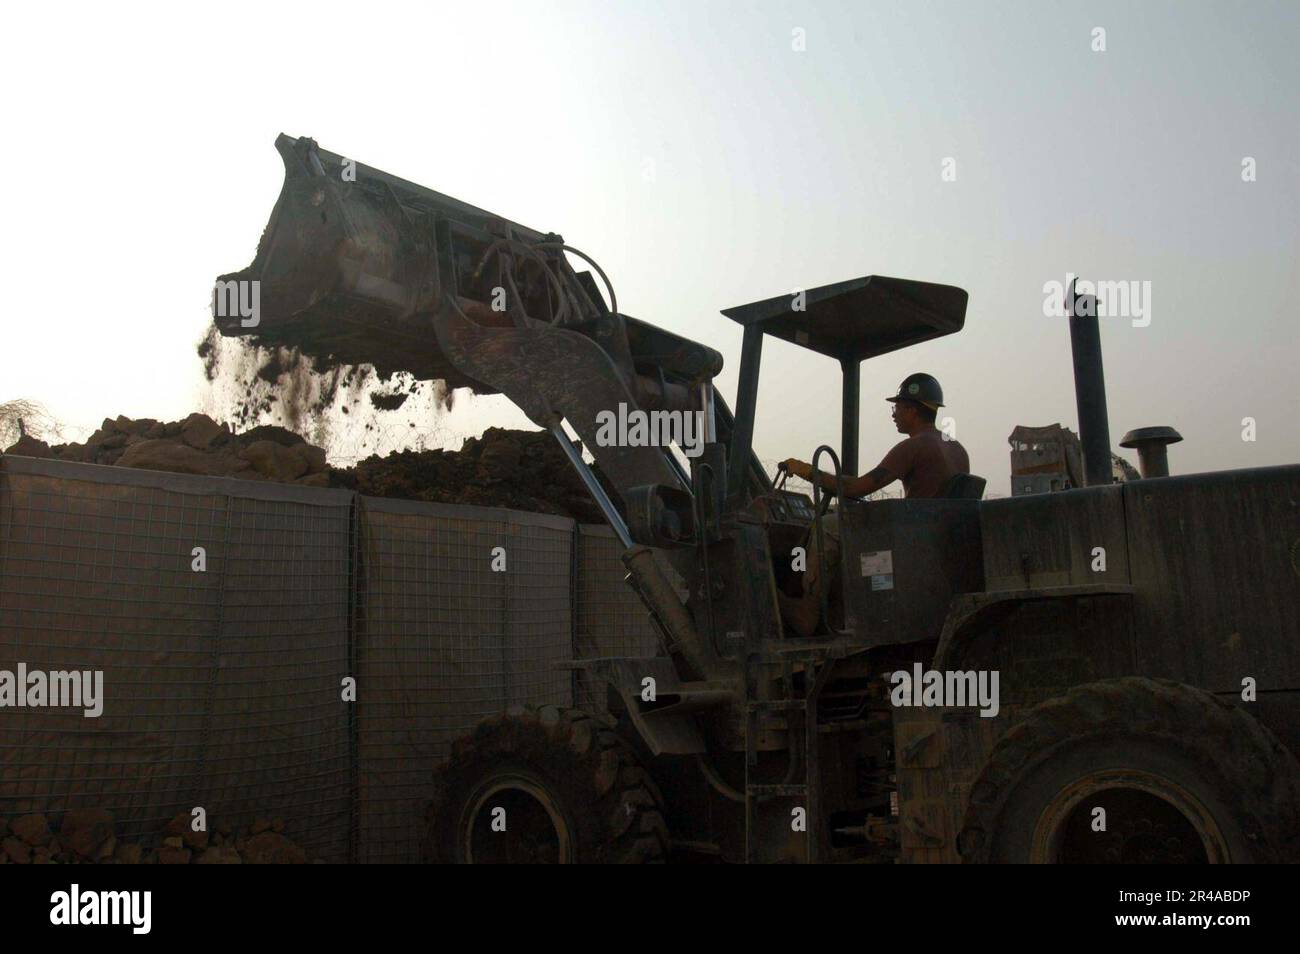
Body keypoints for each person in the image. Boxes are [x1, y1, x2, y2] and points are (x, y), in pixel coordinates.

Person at [776, 373, 970, 637]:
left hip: (907, 543)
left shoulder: (912, 447)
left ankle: (807, 612)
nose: (894, 414)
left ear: (912, 410)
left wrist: (808, 472)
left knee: (827, 526)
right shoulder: (955, 447)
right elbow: (859, 483)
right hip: (932, 545)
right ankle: (836, 612)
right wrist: (832, 481)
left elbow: (858, 488)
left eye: (897, 407)